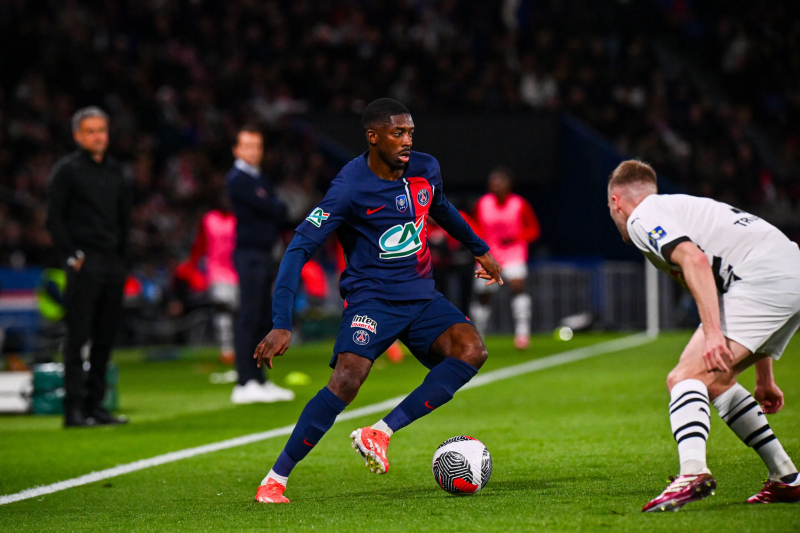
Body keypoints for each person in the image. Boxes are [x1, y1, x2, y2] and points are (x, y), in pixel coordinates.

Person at [251, 98, 502, 504]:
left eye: (410, 133)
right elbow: (297, 249)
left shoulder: (425, 168)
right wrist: (282, 321)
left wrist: (479, 249)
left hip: (421, 295)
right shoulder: (349, 188)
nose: (407, 141)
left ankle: (380, 432)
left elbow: (441, 207)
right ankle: (274, 479)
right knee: (346, 381)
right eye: (397, 133)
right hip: (372, 300)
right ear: (373, 137)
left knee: (471, 350)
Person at [607, 160, 800, 512]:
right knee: (717, 381)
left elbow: (695, 261)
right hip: (785, 271)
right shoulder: (680, 209)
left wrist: (713, 335)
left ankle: (692, 472)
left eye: (610, 207)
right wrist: (764, 378)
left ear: (616, 201)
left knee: (684, 377)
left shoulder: (642, 217)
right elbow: (721, 286)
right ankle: (786, 477)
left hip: (763, 278)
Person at [46, 106, 131, 427]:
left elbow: (124, 218)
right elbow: (53, 218)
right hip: (85, 262)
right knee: (77, 336)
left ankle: (95, 405)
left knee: (105, 338)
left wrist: (123, 259)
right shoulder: (66, 171)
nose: (98, 136)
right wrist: (72, 255)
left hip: (112, 263)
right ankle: (73, 410)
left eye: (102, 130)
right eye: (91, 131)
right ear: (77, 136)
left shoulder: (116, 170)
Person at [226, 125, 294, 404]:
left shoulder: (258, 178)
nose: (253, 152)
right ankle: (244, 381)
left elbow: (278, 209)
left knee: (263, 317)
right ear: (236, 150)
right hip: (249, 254)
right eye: (247, 146)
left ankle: (260, 379)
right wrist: (273, 206)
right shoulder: (238, 179)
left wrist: (274, 206)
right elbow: (274, 209)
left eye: (257, 147)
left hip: (264, 254)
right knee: (249, 317)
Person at [470, 167, 540, 349]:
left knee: (517, 287)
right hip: (488, 256)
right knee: (483, 296)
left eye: (499, 182)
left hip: (513, 253)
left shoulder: (519, 204)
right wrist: (477, 244)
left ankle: (522, 334)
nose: (495, 186)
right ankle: (478, 335)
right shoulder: (483, 203)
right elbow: (474, 226)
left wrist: (516, 237)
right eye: (492, 183)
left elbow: (533, 229)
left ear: (508, 184)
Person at [186, 194, 238, 364]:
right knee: (223, 309)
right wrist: (192, 266)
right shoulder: (209, 219)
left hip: (237, 272)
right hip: (217, 272)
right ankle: (227, 350)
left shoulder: (238, 218)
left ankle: (242, 347)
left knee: (237, 311)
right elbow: (200, 243)